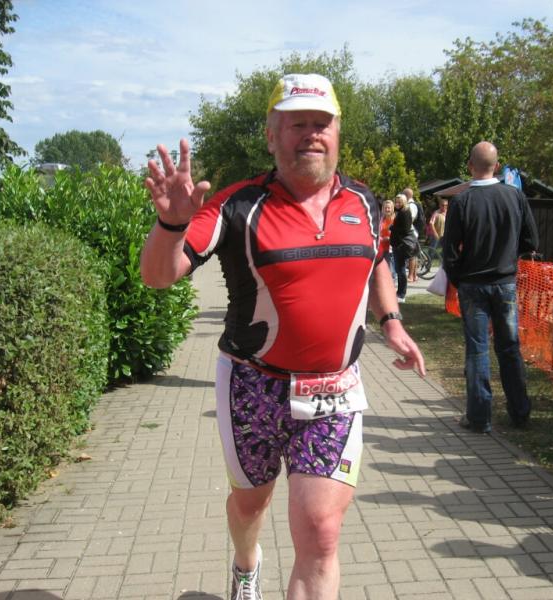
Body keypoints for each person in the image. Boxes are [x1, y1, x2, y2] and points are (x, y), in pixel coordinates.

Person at [140, 73, 425, 600]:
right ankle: (246, 564)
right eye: (297, 124)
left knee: (321, 532)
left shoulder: (364, 202)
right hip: (252, 384)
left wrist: (391, 321)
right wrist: (171, 226)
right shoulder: (237, 205)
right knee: (250, 504)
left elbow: (378, 261)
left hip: (334, 390)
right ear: (272, 136)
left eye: (321, 123)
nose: (311, 134)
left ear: (337, 134)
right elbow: (158, 275)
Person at [442, 141, 539, 433]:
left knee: (477, 350)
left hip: (473, 284)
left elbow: (450, 252)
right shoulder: (515, 196)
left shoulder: (461, 201)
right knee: (509, 348)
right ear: (496, 166)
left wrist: (459, 279)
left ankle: (479, 416)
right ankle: (520, 413)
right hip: (504, 281)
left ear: (470, 165)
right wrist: (508, 256)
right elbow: (531, 241)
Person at [390, 193, 417, 302]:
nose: (397, 204)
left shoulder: (404, 212)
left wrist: (392, 228)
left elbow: (405, 229)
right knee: (399, 270)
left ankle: (401, 294)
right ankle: (400, 293)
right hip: (398, 245)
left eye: (399, 202)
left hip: (400, 245)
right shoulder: (401, 211)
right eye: (396, 202)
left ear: (404, 202)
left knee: (400, 270)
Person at [403, 187, 420, 282]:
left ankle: (410, 276)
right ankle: (414, 275)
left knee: (412, 255)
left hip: (410, 233)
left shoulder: (411, 206)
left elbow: (410, 219)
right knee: (414, 255)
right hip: (413, 233)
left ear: (406, 195)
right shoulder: (411, 205)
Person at [379, 198, 395, 276]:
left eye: (389, 208)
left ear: (392, 209)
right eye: (385, 208)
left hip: (391, 249)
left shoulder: (394, 220)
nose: (387, 209)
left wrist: (388, 238)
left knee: (391, 272)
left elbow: (397, 234)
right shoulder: (382, 219)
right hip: (382, 247)